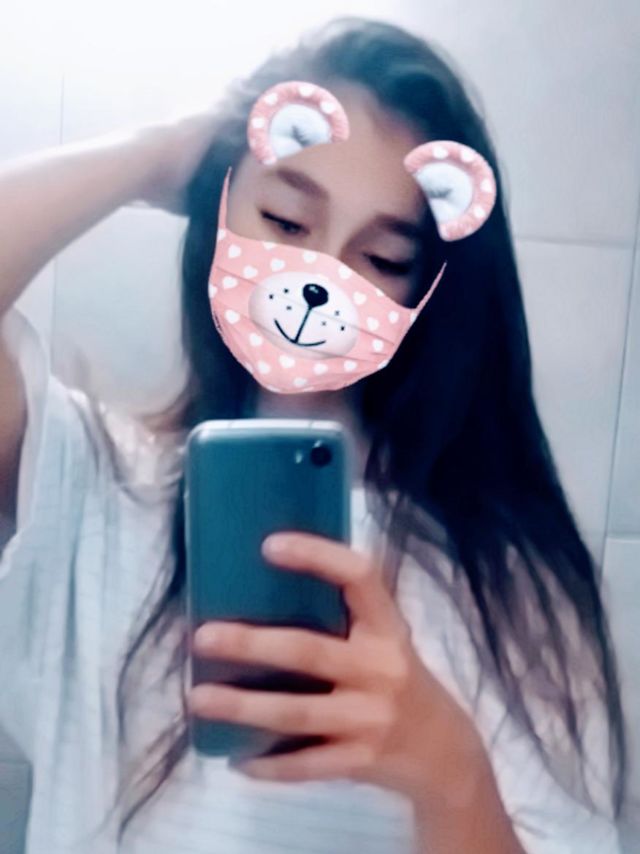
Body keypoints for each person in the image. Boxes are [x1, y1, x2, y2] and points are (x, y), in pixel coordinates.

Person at [0, 15, 630, 854]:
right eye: (288, 220)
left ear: (430, 291)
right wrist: (164, 153)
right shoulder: (93, 487)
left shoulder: (510, 586)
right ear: (223, 208)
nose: (321, 276)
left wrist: (451, 776)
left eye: (383, 259)